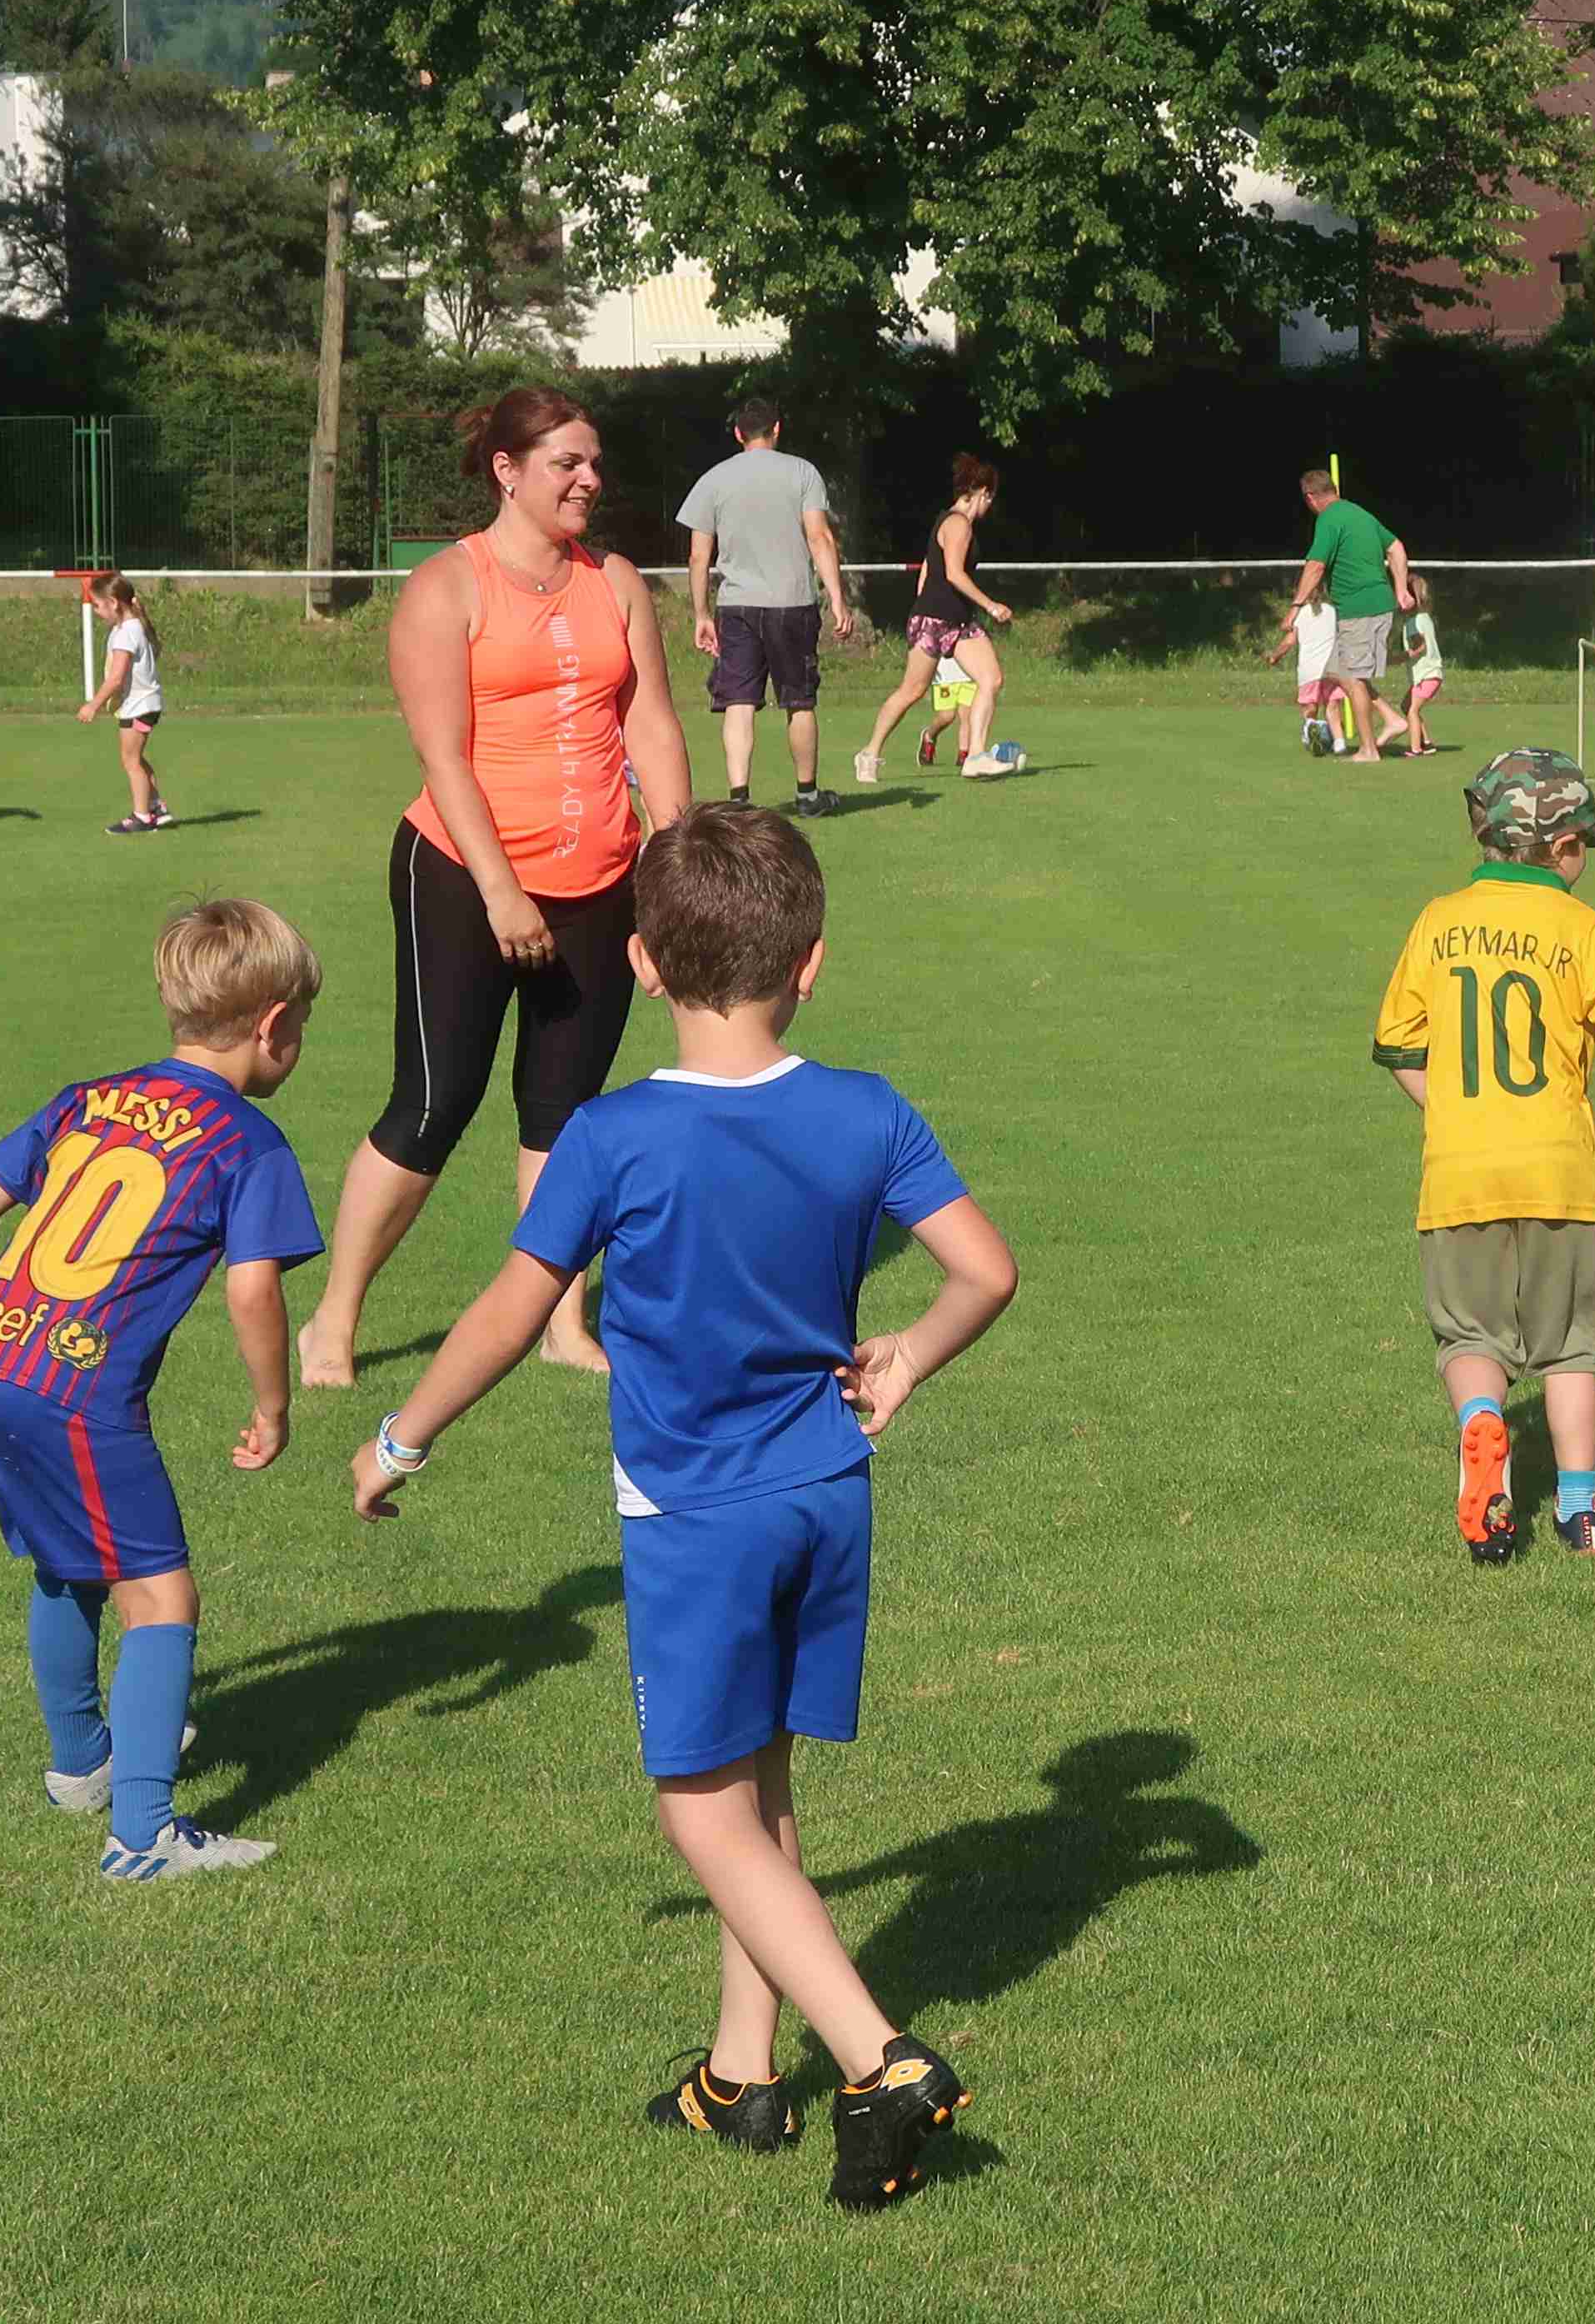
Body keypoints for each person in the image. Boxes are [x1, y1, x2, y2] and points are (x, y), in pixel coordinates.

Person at [353, 804, 1010, 2210]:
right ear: (810, 964)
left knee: (700, 1814)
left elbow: (511, 1310)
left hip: (696, 1514)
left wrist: (402, 1437)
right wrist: (909, 1352)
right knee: (758, 1784)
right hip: (826, 1496)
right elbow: (986, 1271)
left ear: (642, 963)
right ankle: (740, 2072)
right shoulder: (867, 1110)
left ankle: (880, 2059)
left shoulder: (610, 1135)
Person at [0, 899, 326, 1881]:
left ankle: (81, 1763)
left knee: (68, 1565)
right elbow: (253, 1290)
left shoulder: (89, 1098)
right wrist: (273, 1407)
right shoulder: (249, 1143)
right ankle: (143, 1837)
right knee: (162, 1596)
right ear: (272, 1025)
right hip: (74, 1392)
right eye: (302, 1023)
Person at [298, 386, 693, 1392]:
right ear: (507, 473)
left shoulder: (617, 583)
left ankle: (561, 1325)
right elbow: (444, 757)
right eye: (567, 463)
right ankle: (333, 1319)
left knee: (565, 1115)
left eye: (594, 462)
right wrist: (503, 892)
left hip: (600, 881)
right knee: (434, 1104)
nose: (589, 480)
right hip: (461, 875)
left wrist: (671, 861)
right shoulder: (447, 587)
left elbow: (649, 724)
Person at [1372, 750, 1595, 1562]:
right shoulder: (1585, 931)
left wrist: (1455, 1115)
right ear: (1562, 848)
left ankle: (1481, 1424)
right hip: (1559, 1171)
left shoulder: (1438, 922)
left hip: (1460, 1172)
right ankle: (1581, 1509)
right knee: (1567, 1349)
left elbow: (1399, 1049)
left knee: (1469, 1338)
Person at [675, 396, 859, 815]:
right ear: (777, 429)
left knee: (738, 703)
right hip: (792, 603)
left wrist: (701, 614)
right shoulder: (803, 472)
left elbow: (699, 557)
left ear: (738, 433)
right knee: (799, 701)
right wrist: (837, 598)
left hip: (737, 606)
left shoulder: (713, 479)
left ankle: (739, 800)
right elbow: (819, 537)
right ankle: (808, 796)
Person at [858, 453, 1025, 783]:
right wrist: (991, 606)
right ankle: (869, 752)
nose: (991, 505)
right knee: (912, 690)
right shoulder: (958, 524)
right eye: (991, 498)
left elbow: (929, 567)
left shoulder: (953, 522)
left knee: (991, 679)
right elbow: (953, 574)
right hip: (934, 620)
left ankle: (975, 756)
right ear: (983, 493)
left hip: (959, 622)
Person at [1286, 469, 1413, 765]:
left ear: (1310, 497)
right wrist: (1401, 589)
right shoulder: (1360, 513)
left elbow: (1316, 566)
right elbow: (1396, 547)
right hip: (1368, 607)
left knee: (1353, 677)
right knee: (1336, 672)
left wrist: (1296, 606)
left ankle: (1369, 750)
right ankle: (1392, 719)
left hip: (1362, 609)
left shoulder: (1328, 519)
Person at [76, 571, 176, 833]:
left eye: (97, 605)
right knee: (136, 758)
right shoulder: (132, 627)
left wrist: (93, 705)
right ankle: (156, 807)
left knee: (131, 761)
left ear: (113, 603)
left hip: (139, 707)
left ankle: (142, 816)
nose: (96, 611)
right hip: (145, 704)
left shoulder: (126, 633)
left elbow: (116, 678)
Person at [1390, 606, 1447, 758]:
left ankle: (1415, 749)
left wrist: (1395, 659)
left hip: (1427, 676)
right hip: (1431, 674)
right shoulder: (1425, 618)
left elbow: (1420, 646)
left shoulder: (1412, 623)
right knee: (1406, 705)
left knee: (1412, 710)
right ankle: (1426, 743)